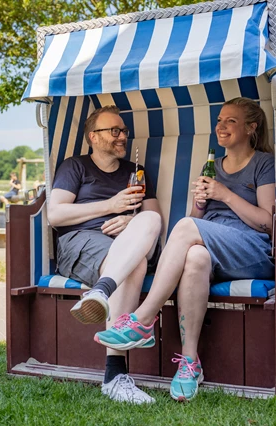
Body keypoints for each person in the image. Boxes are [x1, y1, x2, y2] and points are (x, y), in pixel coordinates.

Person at [94, 97, 275, 402]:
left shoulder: (264, 163)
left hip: (251, 251)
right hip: (213, 248)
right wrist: (201, 204)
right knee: (194, 256)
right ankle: (190, 364)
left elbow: (267, 224)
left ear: (251, 127)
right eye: (219, 120)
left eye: (230, 121)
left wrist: (225, 195)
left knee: (185, 229)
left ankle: (143, 319)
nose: (221, 126)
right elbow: (195, 222)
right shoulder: (212, 165)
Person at [48, 105, 163, 404]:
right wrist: (110, 206)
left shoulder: (135, 172)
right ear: (93, 137)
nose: (122, 136)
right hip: (82, 240)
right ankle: (115, 373)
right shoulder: (75, 167)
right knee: (133, 261)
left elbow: (154, 218)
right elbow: (56, 214)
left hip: (128, 240)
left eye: (123, 131)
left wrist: (130, 220)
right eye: (114, 131)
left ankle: (102, 291)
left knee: (148, 221)